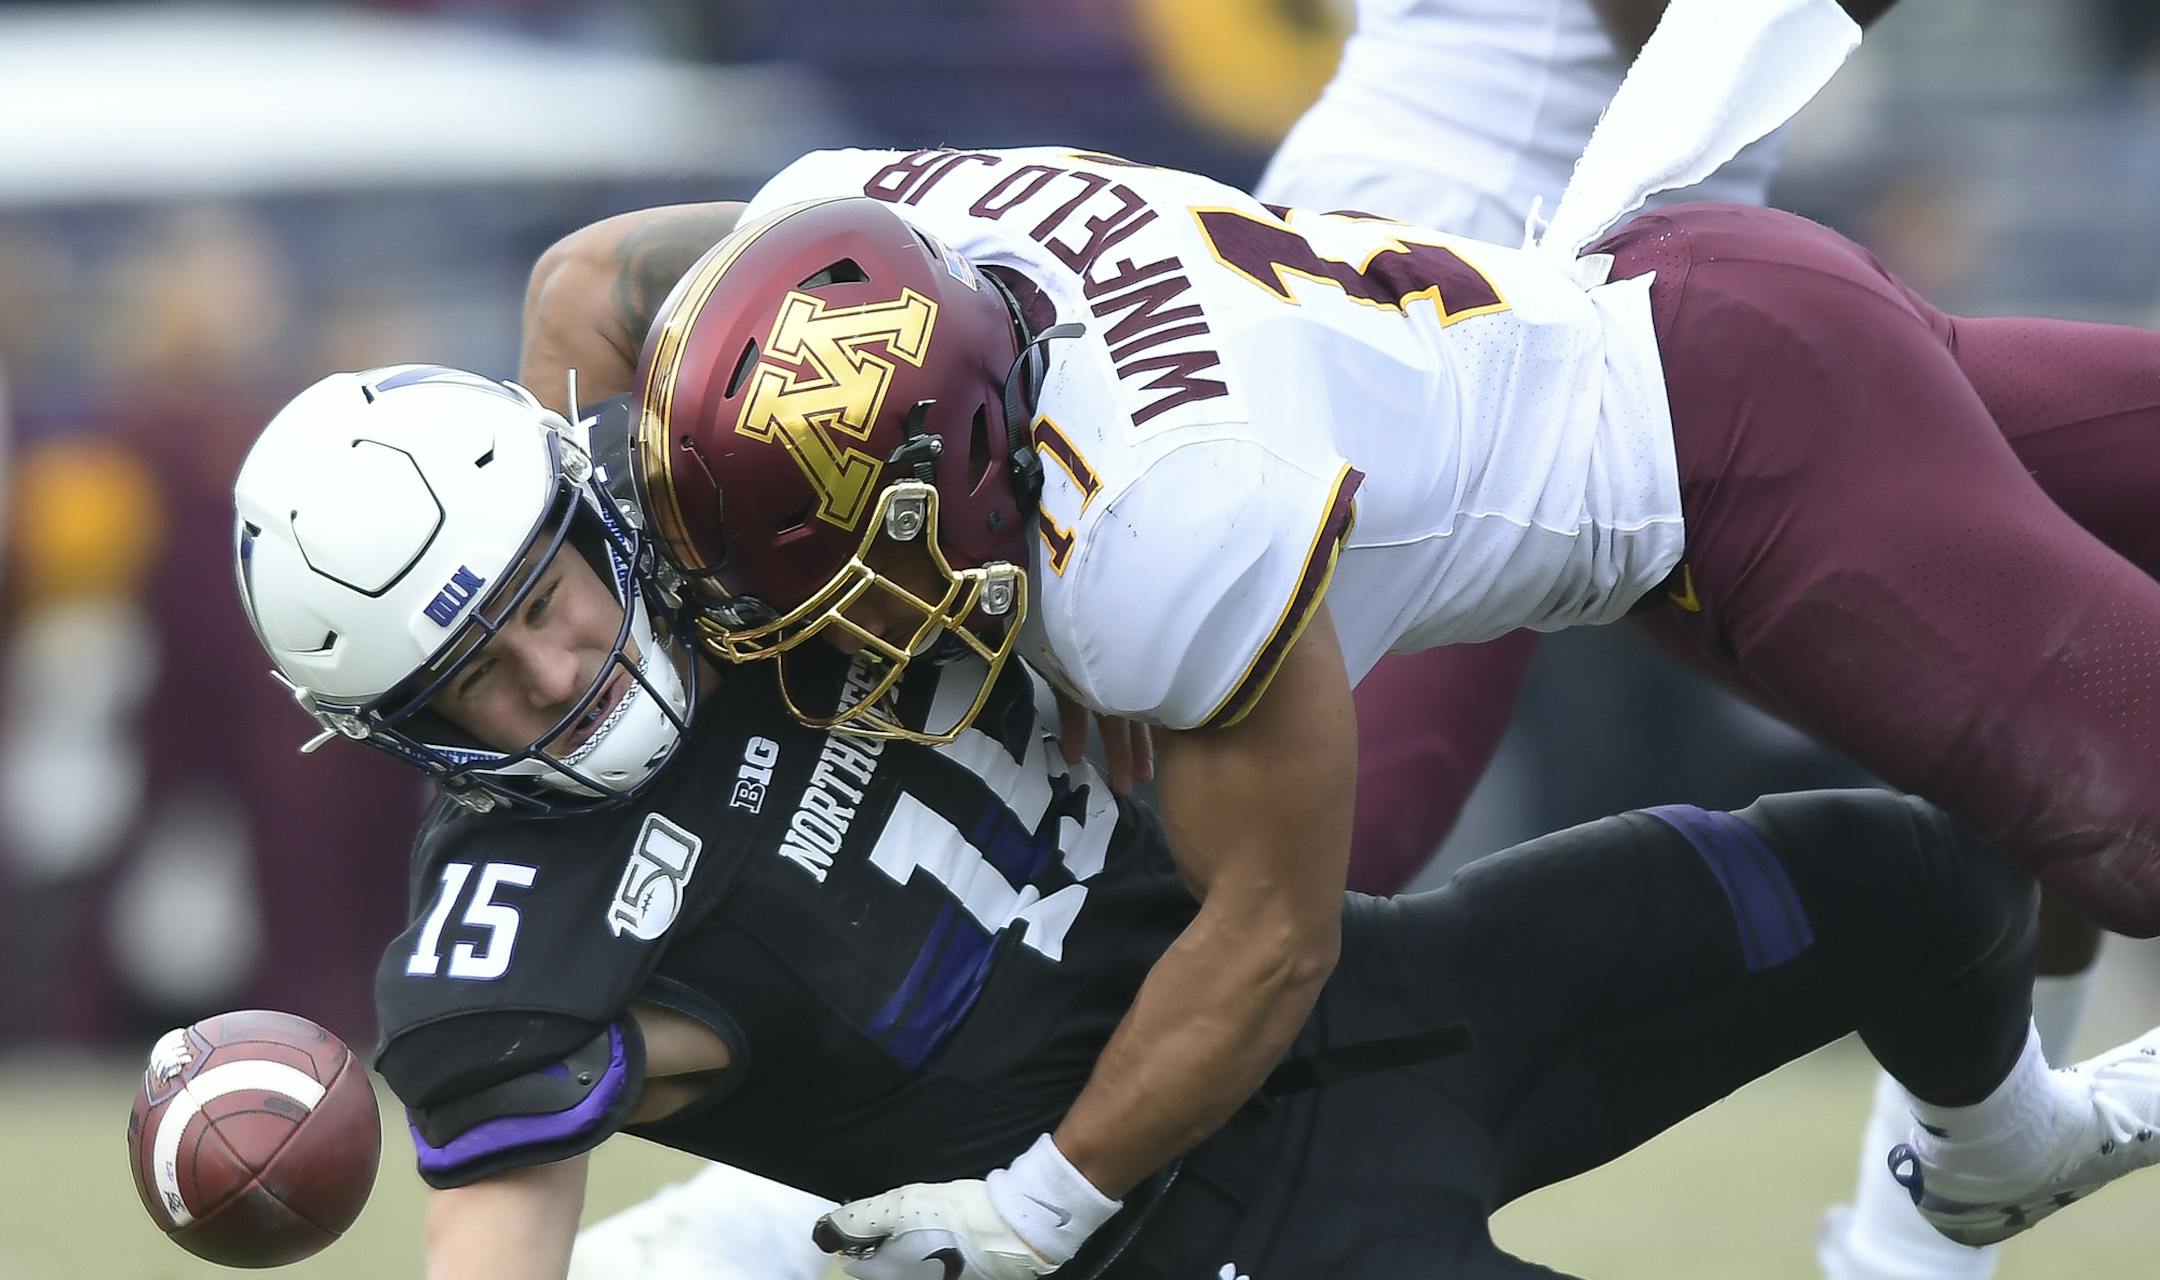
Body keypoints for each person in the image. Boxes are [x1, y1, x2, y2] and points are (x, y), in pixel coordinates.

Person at [487, 0, 2160, 1264]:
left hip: (1737, 432)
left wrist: (1028, 1216)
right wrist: (597, 551)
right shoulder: (866, 235)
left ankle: (1963, 1190)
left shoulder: (1157, 525)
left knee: (2115, 816)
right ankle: (1982, 1167)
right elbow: (589, 291)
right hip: (1646, 301)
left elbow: (1271, 941)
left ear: (980, 463)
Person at [232, 365, 2159, 1280]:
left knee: (1918, 879)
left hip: (1357, 1005)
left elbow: (665, 275)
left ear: (586, 503)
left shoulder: (748, 502)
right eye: (471, 680)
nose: (554, 670)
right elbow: (496, 1241)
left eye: (546, 594)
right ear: (390, 732)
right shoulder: (509, 946)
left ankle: (1970, 1193)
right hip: (1194, 1244)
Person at [1259, 3, 2089, 1278]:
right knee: (1288, 872)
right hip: (1460, 303)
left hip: (1621, 309)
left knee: (2056, 684)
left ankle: (1922, 1243)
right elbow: (1655, 17)